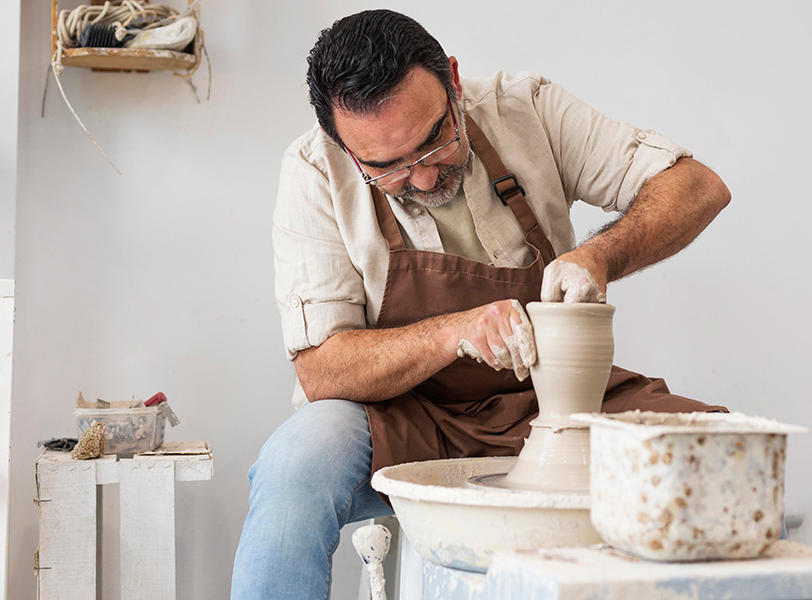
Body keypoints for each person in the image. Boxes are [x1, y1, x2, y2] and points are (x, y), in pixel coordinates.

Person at [231, 9, 730, 599]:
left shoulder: (526, 109)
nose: (420, 180)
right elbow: (322, 369)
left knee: (716, 456)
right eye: (385, 168)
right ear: (345, 145)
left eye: (433, 142)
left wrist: (599, 256)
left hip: (549, 405)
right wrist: (453, 332)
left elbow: (697, 185)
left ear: (454, 82)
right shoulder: (316, 172)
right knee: (295, 462)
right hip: (402, 418)